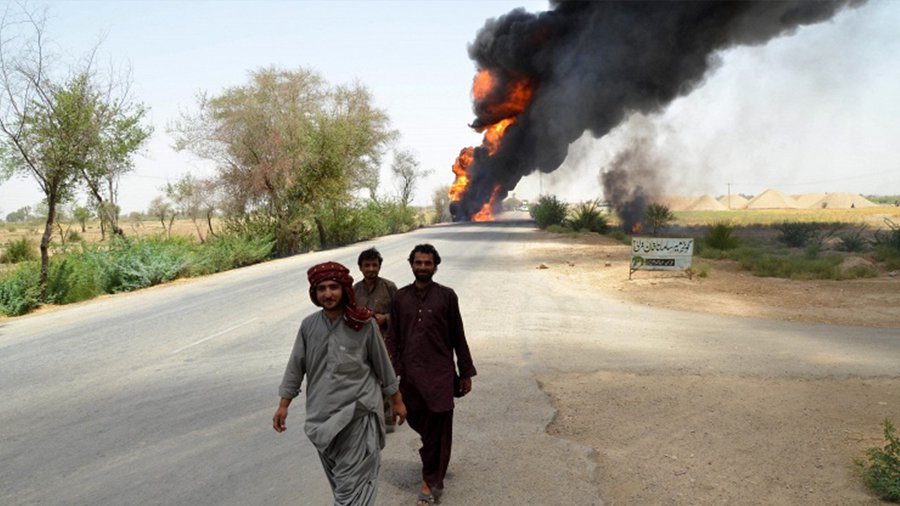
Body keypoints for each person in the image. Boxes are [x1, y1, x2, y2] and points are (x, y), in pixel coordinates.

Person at [273, 261, 407, 506]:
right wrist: (284, 405)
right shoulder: (309, 325)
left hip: (358, 413)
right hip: (322, 420)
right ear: (314, 293)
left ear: (344, 289)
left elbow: (383, 365)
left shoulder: (364, 323)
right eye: (321, 288)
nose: (328, 294)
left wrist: (397, 400)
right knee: (342, 485)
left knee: (350, 491)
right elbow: (295, 366)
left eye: (333, 287)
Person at [389, 244, 477, 506]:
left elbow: (458, 335)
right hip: (410, 374)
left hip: (440, 373)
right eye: (418, 263)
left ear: (435, 266)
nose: (423, 267)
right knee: (418, 419)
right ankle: (433, 461)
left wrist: (465, 371)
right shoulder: (400, 297)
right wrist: (391, 372)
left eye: (428, 263)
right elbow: (393, 338)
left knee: (439, 427)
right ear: (411, 265)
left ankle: (430, 480)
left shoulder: (447, 296)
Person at [352, 248, 399, 433]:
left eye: (374, 265)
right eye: (367, 265)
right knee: (366, 376)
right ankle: (369, 415)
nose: (371, 269)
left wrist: (385, 318)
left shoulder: (389, 287)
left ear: (379, 266)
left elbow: (401, 313)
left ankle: (387, 417)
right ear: (360, 267)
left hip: (385, 339)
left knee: (386, 375)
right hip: (362, 341)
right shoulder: (354, 290)